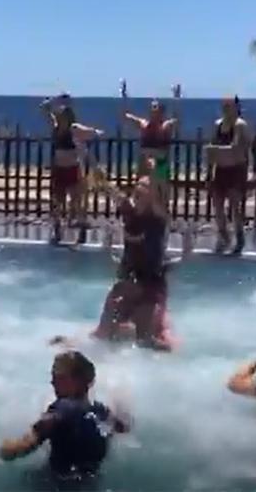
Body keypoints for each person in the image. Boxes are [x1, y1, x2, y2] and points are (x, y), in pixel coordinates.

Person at [0, 351, 130, 483]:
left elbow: (24, 446)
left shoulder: (62, 408)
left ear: (77, 380)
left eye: (58, 377)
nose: (52, 382)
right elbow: (123, 427)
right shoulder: (100, 410)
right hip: (90, 482)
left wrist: (1, 450)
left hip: (55, 483)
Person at [88, 171, 176, 351]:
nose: (140, 187)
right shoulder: (128, 210)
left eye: (145, 185)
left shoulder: (158, 217)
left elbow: (160, 186)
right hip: (127, 277)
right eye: (139, 184)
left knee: (147, 339)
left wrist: (157, 167)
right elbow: (109, 187)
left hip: (151, 281)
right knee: (104, 332)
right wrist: (84, 154)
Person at [41, 93, 104, 245]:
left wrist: (95, 132)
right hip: (59, 169)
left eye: (63, 115)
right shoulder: (55, 127)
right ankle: (57, 230)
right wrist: (53, 102)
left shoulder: (73, 128)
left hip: (72, 169)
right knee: (58, 201)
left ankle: (81, 230)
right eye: (60, 115)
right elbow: (43, 109)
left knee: (77, 202)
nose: (60, 117)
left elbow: (87, 131)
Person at [205, 96, 253, 254]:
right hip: (220, 169)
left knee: (235, 206)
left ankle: (239, 238)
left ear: (236, 107)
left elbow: (235, 148)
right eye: (224, 106)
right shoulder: (217, 125)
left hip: (236, 169)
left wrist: (215, 150)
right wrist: (208, 172)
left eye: (229, 106)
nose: (226, 109)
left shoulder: (240, 125)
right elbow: (211, 150)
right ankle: (224, 236)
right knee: (217, 205)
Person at [121, 80, 180, 206]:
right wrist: (124, 96)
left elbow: (177, 119)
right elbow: (126, 116)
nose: (154, 110)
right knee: (142, 185)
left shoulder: (165, 126)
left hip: (160, 161)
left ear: (161, 111)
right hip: (144, 160)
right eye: (152, 108)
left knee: (162, 188)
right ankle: (142, 209)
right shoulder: (144, 124)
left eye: (156, 108)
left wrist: (176, 98)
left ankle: (162, 210)